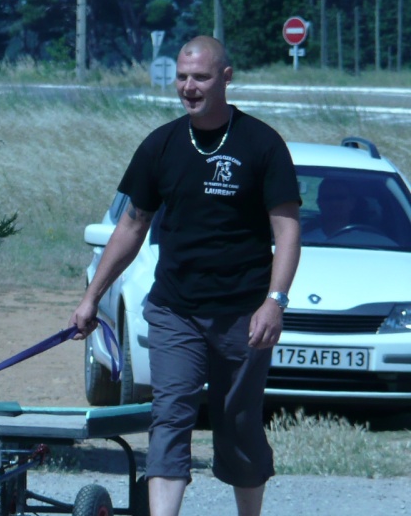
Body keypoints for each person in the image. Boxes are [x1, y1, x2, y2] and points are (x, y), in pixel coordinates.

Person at [69, 36, 301, 516]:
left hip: (243, 315)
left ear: (226, 77)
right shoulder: (162, 145)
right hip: (176, 311)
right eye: (182, 77)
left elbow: (287, 228)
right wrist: (92, 296)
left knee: (237, 425)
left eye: (200, 77)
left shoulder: (262, 144)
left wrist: (274, 301)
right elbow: (131, 225)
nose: (189, 87)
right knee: (170, 417)